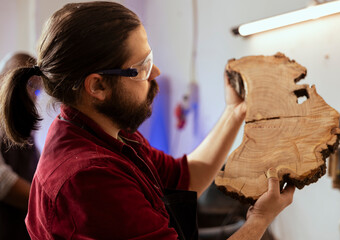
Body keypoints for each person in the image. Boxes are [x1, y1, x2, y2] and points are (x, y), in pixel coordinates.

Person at [0, 2, 295, 239]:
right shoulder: (88, 179)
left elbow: (185, 178)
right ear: (97, 86)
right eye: (141, 68)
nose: (156, 74)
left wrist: (235, 112)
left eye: (150, 60)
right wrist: (259, 220)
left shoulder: (111, 132)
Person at [0, 52, 41, 240]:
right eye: (29, 85)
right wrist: (47, 204)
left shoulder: (24, 127)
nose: (32, 94)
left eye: (37, 89)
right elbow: (3, 182)